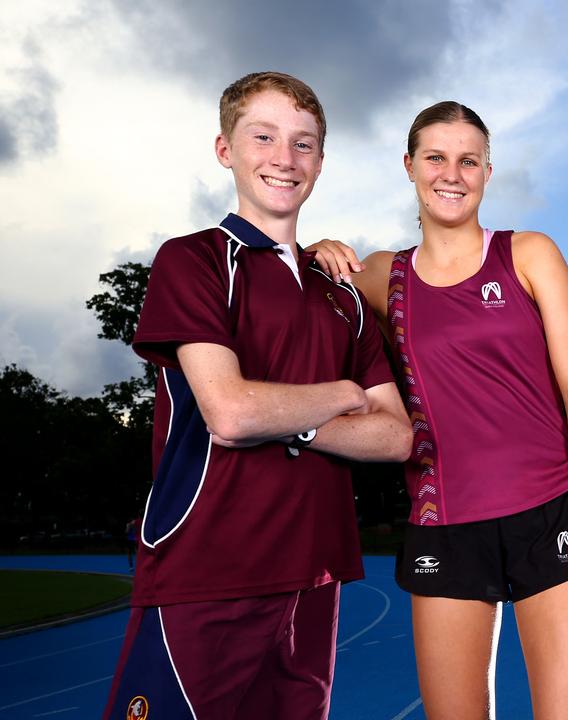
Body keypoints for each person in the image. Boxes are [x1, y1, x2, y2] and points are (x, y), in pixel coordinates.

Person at [101, 71, 412, 720]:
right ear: (226, 150)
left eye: (303, 143)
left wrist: (290, 419)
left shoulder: (342, 294)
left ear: (321, 161)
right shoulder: (195, 261)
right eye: (263, 136)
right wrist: (342, 392)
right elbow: (231, 413)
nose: (284, 157)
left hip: (317, 571)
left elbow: (395, 435)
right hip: (210, 568)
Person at [308, 101, 568, 720]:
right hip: (444, 523)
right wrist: (320, 252)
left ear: (486, 172)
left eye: (468, 160)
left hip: (549, 513)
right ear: (409, 166)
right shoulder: (380, 277)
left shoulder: (528, 254)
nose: (451, 173)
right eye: (436, 158)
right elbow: (304, 295)